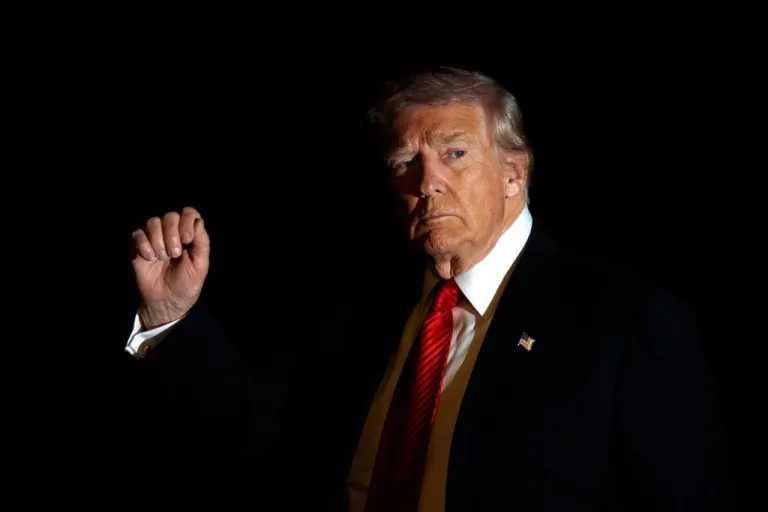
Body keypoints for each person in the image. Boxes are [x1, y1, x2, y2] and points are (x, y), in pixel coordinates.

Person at [121, 67, 733, 511]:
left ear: (514, 172)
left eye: (455, 152)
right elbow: (249, 435)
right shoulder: (354, 303)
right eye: (403, 163)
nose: (427, 181)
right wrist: (171, 314)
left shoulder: (626, 319)